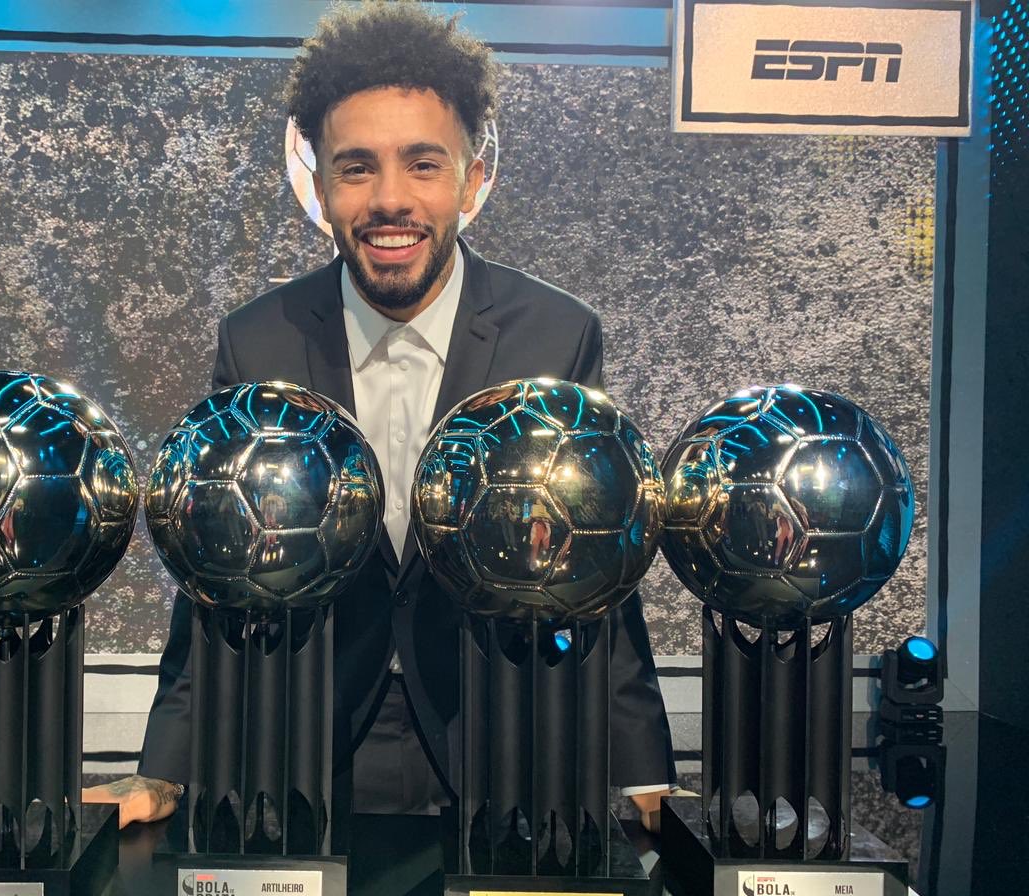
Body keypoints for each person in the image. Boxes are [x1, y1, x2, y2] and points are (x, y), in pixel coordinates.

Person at [85, 0, 677, 833]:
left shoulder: (556, 334)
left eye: (423, 164)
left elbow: (598, 563)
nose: (389, 200)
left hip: (501, 741)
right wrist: (168, 766)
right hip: (305, 749)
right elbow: (215, 568)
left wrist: (641, 765)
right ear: (319, 184)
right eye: (357, 167)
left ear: (472, 178)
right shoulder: (257, 341)